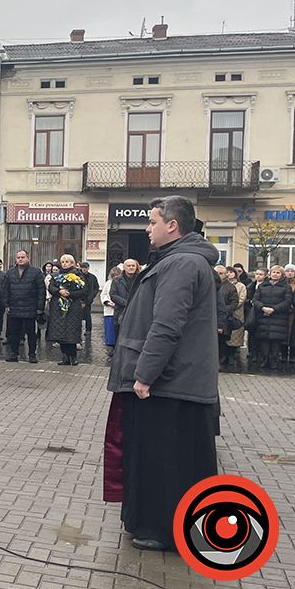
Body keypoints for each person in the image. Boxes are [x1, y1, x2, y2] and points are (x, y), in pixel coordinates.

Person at [105, 195, 220, 551]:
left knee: (167, 461)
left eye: (153, 221)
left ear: (173, 225)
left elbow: (167, 325)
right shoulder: (176, 259)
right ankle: (147, 520)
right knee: (152, 455)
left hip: (171, 384)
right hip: (171, 382)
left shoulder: (182, 263)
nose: (147, 228)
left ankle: (165, 531)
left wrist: (145, 373)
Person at [1, 249, 46, 363]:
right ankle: (14, 354)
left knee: (31, 333)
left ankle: (32, 354)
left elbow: (41, 290)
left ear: (28, 258)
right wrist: (5, 304)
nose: (20, 259)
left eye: (22, 257)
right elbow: (5, 290)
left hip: (30, 308)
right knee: (13, 333)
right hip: (14, 308)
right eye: (18, 257)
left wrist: (40, 307)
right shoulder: (10, 272)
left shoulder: (36, 272)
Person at [47, 254, 86, 366]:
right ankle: (64, 357)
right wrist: (59, 291)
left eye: (67, 262)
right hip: (58, 307)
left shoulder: (78, 275)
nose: (64, 264)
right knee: (60, 333)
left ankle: (73, 357)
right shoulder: (56, 275)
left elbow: (83, 290)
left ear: (72, 263)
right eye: (63, 262)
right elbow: (51, 287)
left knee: (71, 333)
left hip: (73, 307)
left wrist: (70, 293)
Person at [251, 265, 292, 370]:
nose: (275, 274)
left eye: (278, 273)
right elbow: (255, 300)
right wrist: (263, 308)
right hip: (263, 316)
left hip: (278, 317)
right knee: (264, 339)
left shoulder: (286, 287)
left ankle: (273, 361)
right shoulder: (262, 286)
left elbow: (287, 301)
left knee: (275, 340)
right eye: (274, 272)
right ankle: (264, 359)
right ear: (269, 274)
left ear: (282, 275)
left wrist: (273, 309)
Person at [214, 265, 240, 370]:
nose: (219, 275)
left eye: (221, 273)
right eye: (217, 273)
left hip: (224, 318)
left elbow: (235, 303)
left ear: (226, 275)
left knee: (221, 341)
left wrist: (223, 310)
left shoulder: (230, 287)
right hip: (211, 317)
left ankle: (221, 361)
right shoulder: (211, 284)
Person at [225, 266, 248, 368]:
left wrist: (232, 306)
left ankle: (232, 355)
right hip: (225, 313)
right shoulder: (223, 285)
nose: (229, 274)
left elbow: (242, 299)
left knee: (235, 335)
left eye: (231, 272)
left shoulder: (241, 286)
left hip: (236, 313)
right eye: (228, 272)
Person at [102, 266, 123, 350]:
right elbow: (103, 294)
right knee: (110, 330)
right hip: (110, 310)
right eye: (114, 276)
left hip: (119, 309)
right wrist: (107, 302)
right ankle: (112, 345)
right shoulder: (108, 283)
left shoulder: (122, 283)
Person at [80, 261, 99, 334]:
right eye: (83, 268)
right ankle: (79, 329)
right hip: (80, 299)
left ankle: (88, 330)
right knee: (78, 315)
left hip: (88, 299)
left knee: (88, 315)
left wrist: (92, 295)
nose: (84, 269)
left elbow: (96, 287)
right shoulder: (78, 276)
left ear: (88, 268)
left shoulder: (92, 277)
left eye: (86, 268)